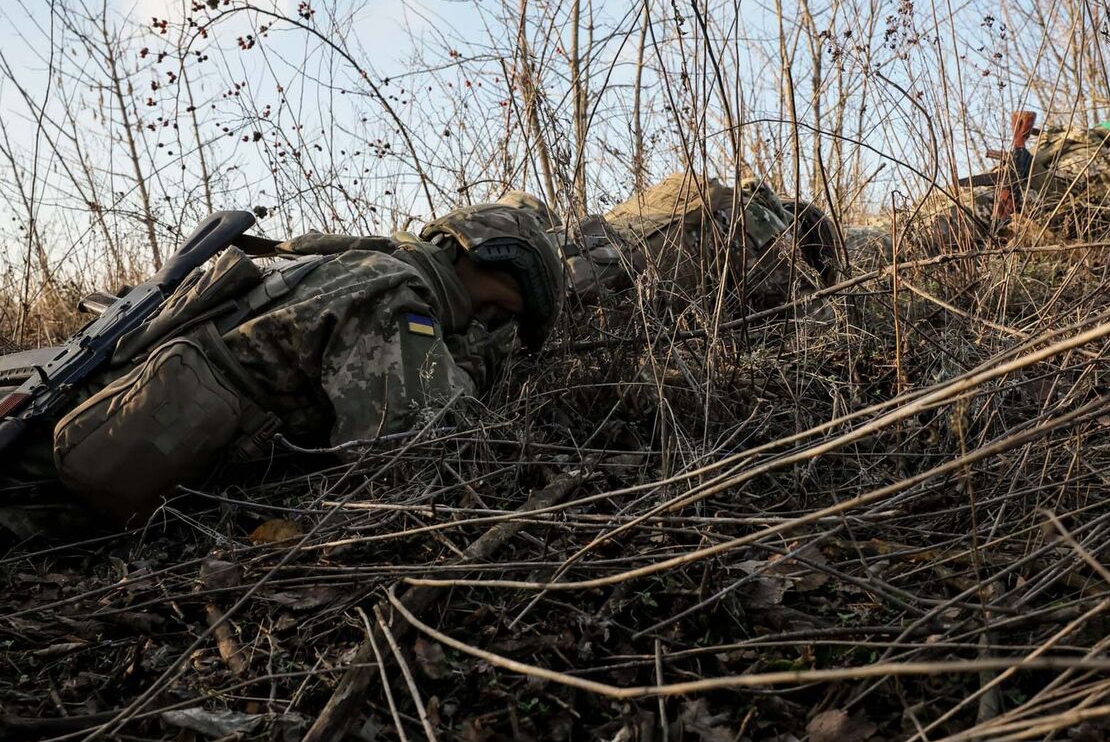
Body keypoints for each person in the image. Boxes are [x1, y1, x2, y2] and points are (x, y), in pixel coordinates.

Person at [0, 192, 563, 527]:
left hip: (75, 444)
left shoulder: (352, 264)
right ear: (499, 264)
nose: (502, 326)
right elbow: (418, 452)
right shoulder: (394, 294)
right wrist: (479, 361)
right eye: (505, 312)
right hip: (47, 496)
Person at [844, 119, 1110, 264]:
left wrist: (1026, 176)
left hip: (1002, 211)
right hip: (999, 210)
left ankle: (859, 246)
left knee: (908, 236)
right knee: (916, 226)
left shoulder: (1096, 157)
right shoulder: (1088, 152)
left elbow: (1072, 210)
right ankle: (860, 243)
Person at [557, 171, 839, 310]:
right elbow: (810, 315)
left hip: (562, 250)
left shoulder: (689, 188)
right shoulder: (761, 219)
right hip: (594, 293)